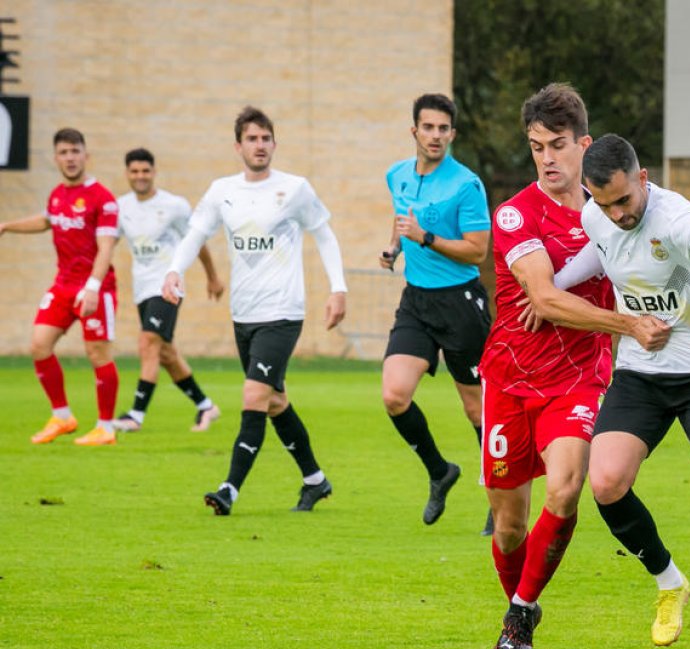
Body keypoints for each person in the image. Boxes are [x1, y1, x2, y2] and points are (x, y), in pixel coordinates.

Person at [546, 133, 690, 646]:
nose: (619, 213)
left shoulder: (680, 219)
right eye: (605, 203)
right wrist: (552, 287)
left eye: (625, 200)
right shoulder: (596, 214)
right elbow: (600, 254)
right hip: (641, 373)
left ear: (642, 178)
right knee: (604, 482)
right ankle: (670, 582)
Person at [477, 84, 670, 649]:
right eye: (536, 146)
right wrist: (626, 323)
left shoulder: (609, 212)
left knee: (565, 487)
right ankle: (520, 600)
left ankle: (521, 613)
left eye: (558, 145)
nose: (547, 158)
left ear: (584, 144)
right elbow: (544, 296)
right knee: (508, 528)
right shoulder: (515, 212)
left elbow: (664, 247)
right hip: (509, 377)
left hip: (578, 379)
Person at [163, 106, 348, 515]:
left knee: (253, 395)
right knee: (275, 401)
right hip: (242, 314)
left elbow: (324, 235)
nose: (260, 145)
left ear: (275, 144)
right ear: (238, 146)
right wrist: (174, 271)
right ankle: (315, 480)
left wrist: (339, 289)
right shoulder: (221, 191)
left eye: (266, 138)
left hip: (282, 313)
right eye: (252, 139)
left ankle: (229, 489)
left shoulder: (295, 188)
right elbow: (195, 233)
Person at [378, 94, 494, 533]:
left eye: (444, 129)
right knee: (394, 396)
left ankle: (498, 494)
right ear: (414, 131)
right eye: (428, 128)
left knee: (476, 409)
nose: (436, 136)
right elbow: (401, 216)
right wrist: (394, 248)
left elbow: (476, 250)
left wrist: (424, 238)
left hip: (460, 303)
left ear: (452, 134)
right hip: (416, 300)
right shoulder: (397, 174)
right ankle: (440, 471)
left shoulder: (466, 184)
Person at [0, 128, 121, 446]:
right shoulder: (57, 194)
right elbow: (46, 220)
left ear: (86, 155)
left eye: (75, 151)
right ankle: (63, 417)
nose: (70, 158)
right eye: (64, 153)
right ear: (56, 158)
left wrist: (93, 287)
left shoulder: (103, 198)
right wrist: (7, 226)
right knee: (39, 345)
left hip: (97, 287)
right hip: (63, 285)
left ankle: (105, 428)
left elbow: (106, 246)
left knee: (97, 353)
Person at [111, 148, 224, 433]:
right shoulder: (121, 207)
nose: (140, 176)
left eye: (145, 171)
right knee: (165, 354)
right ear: (127, 174)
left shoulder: (174, 205)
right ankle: (205, 406)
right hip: (141, 289)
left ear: (154, 172)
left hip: (168, 286)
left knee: (148, 341)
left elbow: (196, 241)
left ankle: (135, 415)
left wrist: (212, 277)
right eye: (134, 171)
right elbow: (107, 243)